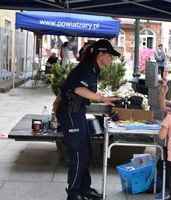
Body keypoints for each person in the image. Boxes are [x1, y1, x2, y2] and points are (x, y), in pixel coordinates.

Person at [52, 39, 120, 200]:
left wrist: (57, 99)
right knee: (78, 154)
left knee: (86, 152)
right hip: (70, 113)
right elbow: (78, 88)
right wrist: (102, 98)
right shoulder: (86, 68)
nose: (111, 59)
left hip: (77, 112)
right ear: (101, 54)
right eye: (110, 55)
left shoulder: (93, 68)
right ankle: (73, 193)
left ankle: (85, 189)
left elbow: (68, 84)